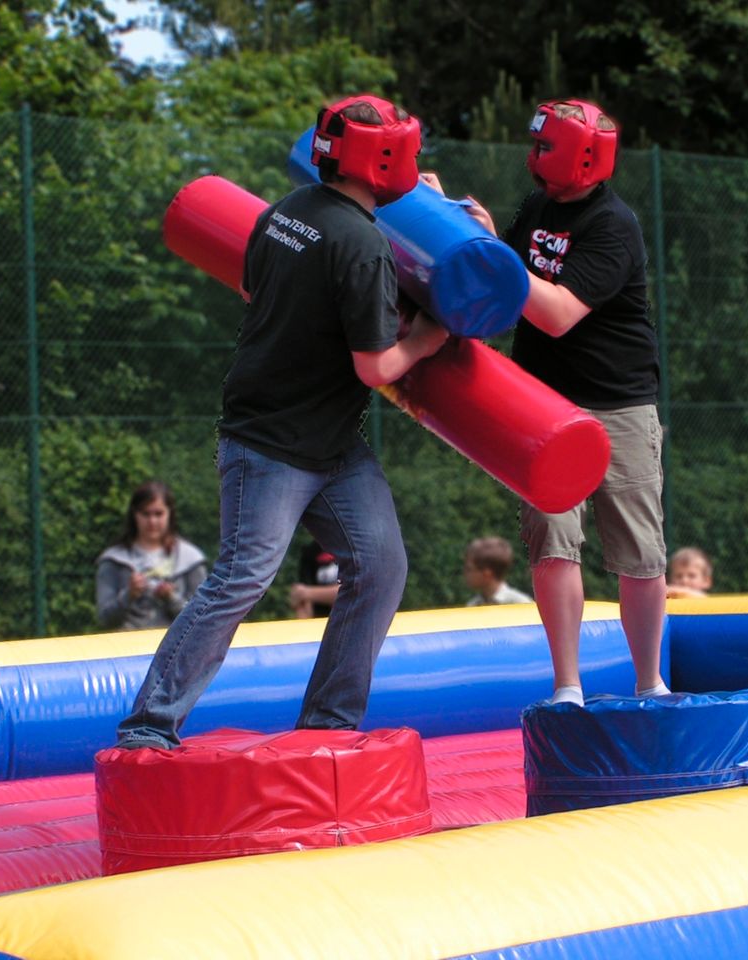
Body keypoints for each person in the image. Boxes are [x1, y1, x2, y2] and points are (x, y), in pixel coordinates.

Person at [113, 95, 448, 750]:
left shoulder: (284, 213)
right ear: (385, 161)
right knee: (242, 576)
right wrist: (428, 339)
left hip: (324, 441)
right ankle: (147, 726)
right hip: (272, 443)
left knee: (379, 566)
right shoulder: (362, 245)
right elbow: (377, 365)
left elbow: (251, 288)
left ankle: (329, 728)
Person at [424, 98, 669, 707]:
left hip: (618, 404)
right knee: (551, 539)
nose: (533, 158)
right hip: (544, 405)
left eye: (546, 147)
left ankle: (650, 684)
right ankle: (568, 686)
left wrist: (497, 254)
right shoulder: (536, 208)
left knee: (639, 548)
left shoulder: (614, 225)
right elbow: (504, 285)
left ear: (584, 157)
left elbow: (556, 313)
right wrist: (457, 224)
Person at [95, 480, 207, 631]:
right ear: (134, 515)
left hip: (177, 649)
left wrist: (171, 598)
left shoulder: (190, 559)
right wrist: (129, 595)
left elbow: (202, 618)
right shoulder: (114, 560)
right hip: (127, 647)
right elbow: (104, 619)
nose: (152, 521)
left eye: (158, 514)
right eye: (145, 514)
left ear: (170, 514)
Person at [463, 536, 533, 606]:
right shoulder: (473, 605)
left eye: (469, 569)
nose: (465, 572)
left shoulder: (520, 604)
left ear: (487, 572)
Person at [289, 538, 340, 618]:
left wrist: (308, 593)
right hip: (319, 621)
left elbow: (354, 592)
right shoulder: (310, 551)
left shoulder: (354, 548)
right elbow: (299, 595)